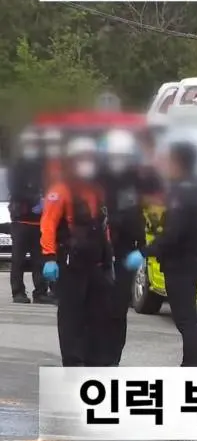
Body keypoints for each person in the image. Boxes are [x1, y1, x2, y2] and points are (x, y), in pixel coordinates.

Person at [123, 142, 197, 366]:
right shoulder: (196, 190)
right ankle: (190, 363)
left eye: (169, 160)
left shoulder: (182, 194)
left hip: (181, 264)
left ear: (178, 162)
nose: (166, 165)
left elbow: (173, 234)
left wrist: (144, 251)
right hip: (191, 261)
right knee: (186, 319)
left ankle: (196, 366)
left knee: (186, 320)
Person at [40, 136, 114, 367]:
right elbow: (48, 224)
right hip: (71, 264)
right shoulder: (60, 190)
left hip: (96, 265)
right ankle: (73, 361)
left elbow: (103, 226)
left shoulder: (97, 191)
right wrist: (49, 257)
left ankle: (94, 359)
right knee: (71, 316)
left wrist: (108, 256)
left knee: (97, 315)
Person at [96, 130, 148, 366]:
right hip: (97, 252)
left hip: (123, 251)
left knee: (117, 308)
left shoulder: (132, 183)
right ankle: (96, 354)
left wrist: (141, 246)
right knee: (97, 307)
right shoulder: (97, 180)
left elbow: (134, 217)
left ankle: (112, 357)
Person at [8, 129, 51, 304]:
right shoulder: (17, 167)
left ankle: (40, 292)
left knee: (39, 259)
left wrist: (46, 199)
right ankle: (18, 292)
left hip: (39, 221)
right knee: (18, 259)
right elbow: (15, 190)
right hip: (21, 220)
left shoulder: (42, 167)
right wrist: (35, 198)